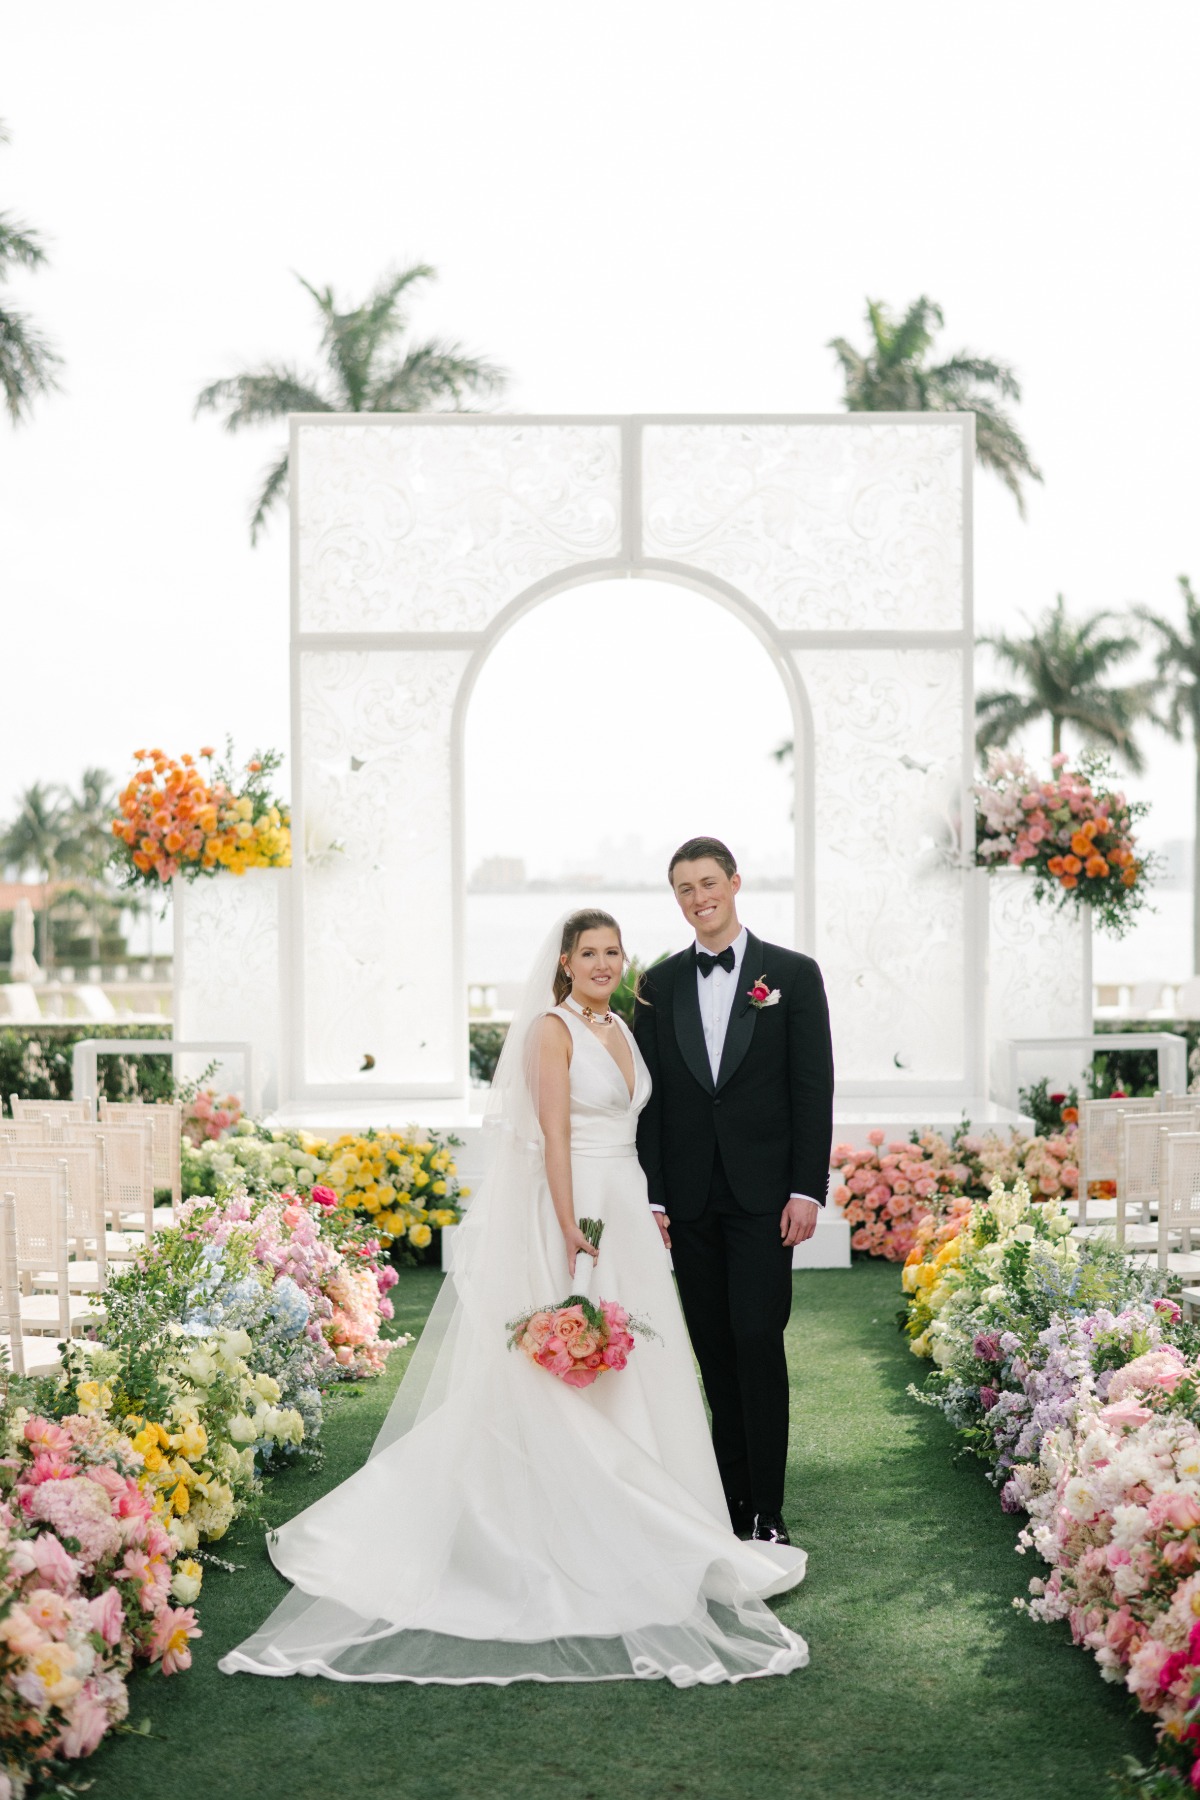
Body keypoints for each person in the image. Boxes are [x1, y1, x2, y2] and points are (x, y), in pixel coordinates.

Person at [220, 909, 809, 1687]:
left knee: (641, 1361)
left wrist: (649, 1205)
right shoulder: (551, 1031)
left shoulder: (625, 1027)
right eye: (589, 953)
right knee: (574, 1361)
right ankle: (573, 1526)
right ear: (564, 962)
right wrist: (569, 1223)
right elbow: (554, 1136)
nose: (603, 963)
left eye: (612, 951)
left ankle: (665, 1511)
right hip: (581, 1210)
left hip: (629, 1207)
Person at [633, 838, 834, 1545]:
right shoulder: (655, 986)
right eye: (684, 888)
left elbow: (813, 1090)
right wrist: (654, 1196)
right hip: (688, 1201)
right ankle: (728, 1503)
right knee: (713, 1351)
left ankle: (767, 1511)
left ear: (735, 883)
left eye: (708, 882)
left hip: (763, 1199)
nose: (698, 898)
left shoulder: (793, 975)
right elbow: (651, 1102)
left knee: (757, 1340)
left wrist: (807, 1189)